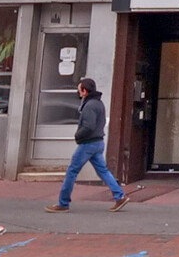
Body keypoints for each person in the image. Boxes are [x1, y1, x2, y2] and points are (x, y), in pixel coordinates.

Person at [46, 78, 129, 212]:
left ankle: (63, 203)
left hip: (88, 144)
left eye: (79, 91)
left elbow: (88, 126)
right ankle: (119, 196)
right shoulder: (99, 103)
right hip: (98, 142)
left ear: (85, 91)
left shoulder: (89, 105)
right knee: (103, 171)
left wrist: (78, 135)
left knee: (72, 171)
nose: (78, 93)